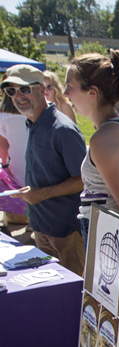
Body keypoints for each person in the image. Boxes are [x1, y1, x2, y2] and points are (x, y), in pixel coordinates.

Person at [65, 50, 119, 278]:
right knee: (99, 313)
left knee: (97, 314)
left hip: (112, 244)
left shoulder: (104, 140)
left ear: (92, 93)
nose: (65, 94)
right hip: (114, 242)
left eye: (70, 86)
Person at [2, 64, 86, 274]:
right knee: (53, 294)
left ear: (41, 89)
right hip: (41, 226)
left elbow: (84, 179)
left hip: (65, 230)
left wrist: (41, 194)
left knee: (74, 295)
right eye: (11, 91)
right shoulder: (32, 123)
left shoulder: (62, 129)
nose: (18, 96)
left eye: (24, 89)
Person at [0, 75, 30, 233]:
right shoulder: (32, 112)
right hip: (35, 161)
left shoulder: (3, 115)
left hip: (17, 163)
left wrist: (5, 165)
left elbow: (3, 146)